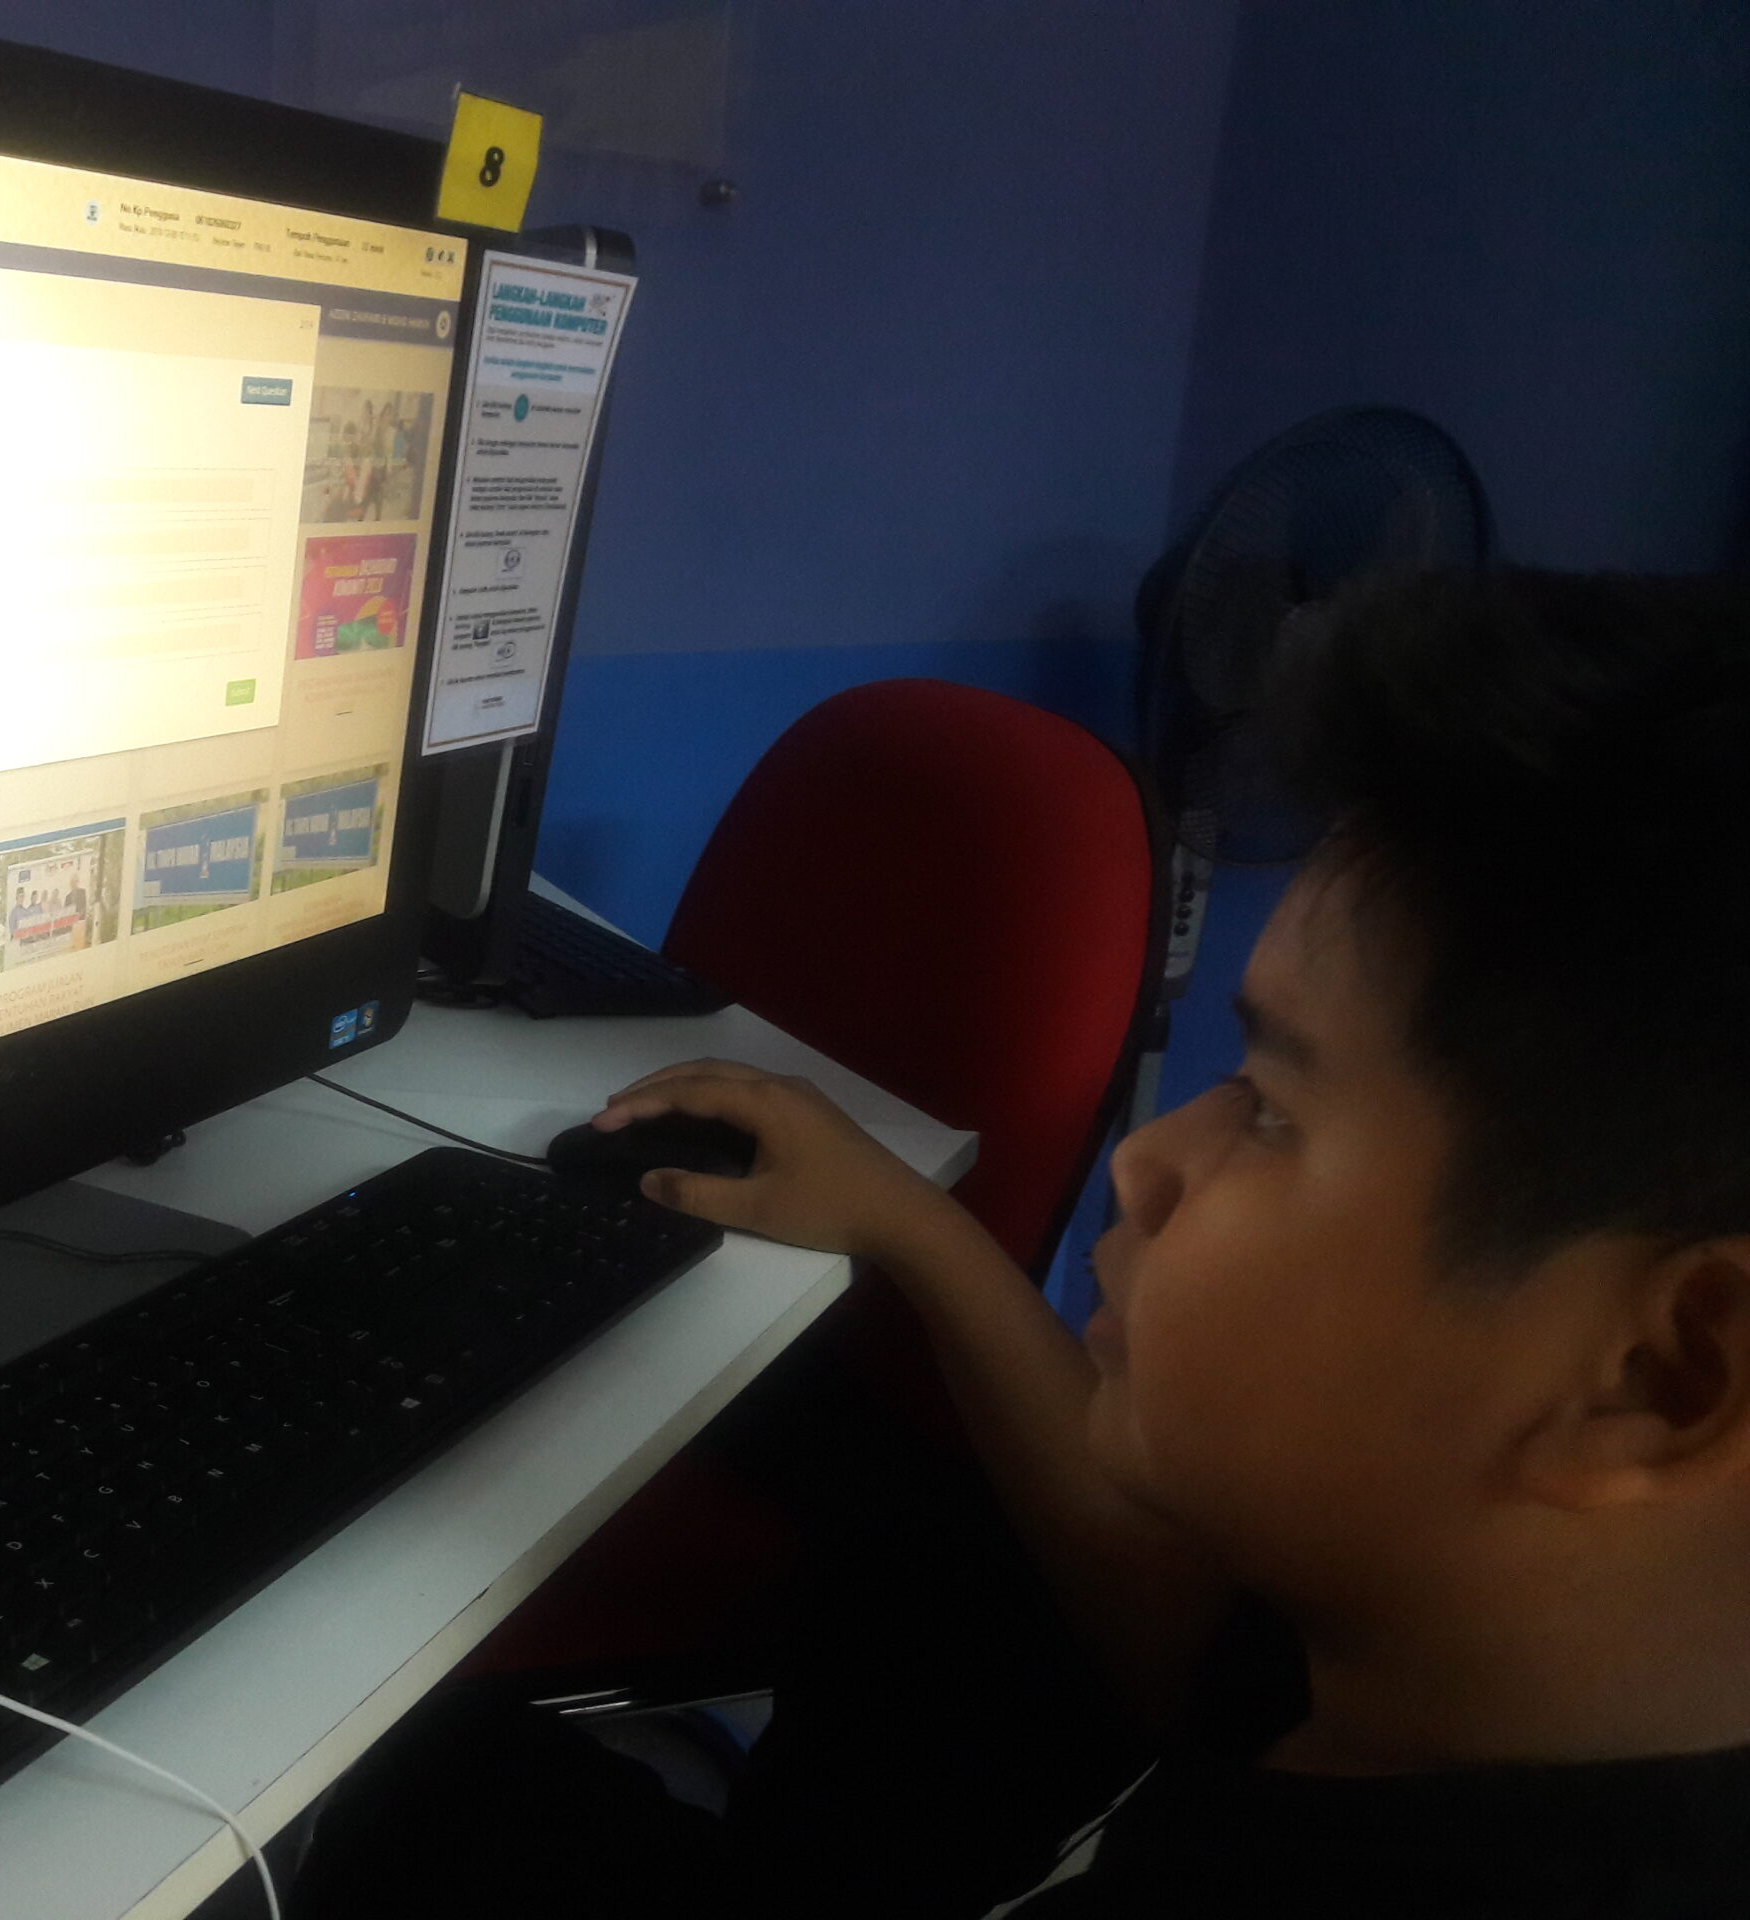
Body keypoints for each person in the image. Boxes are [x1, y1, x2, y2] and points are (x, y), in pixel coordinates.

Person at [287, 568, 1750, 1917]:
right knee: (419, 1792)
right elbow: (1189, 1648)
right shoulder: (1447, 1654)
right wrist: (910, 1223)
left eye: (1270, 1110)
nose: (1145, 1159)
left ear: (1664, 1378)